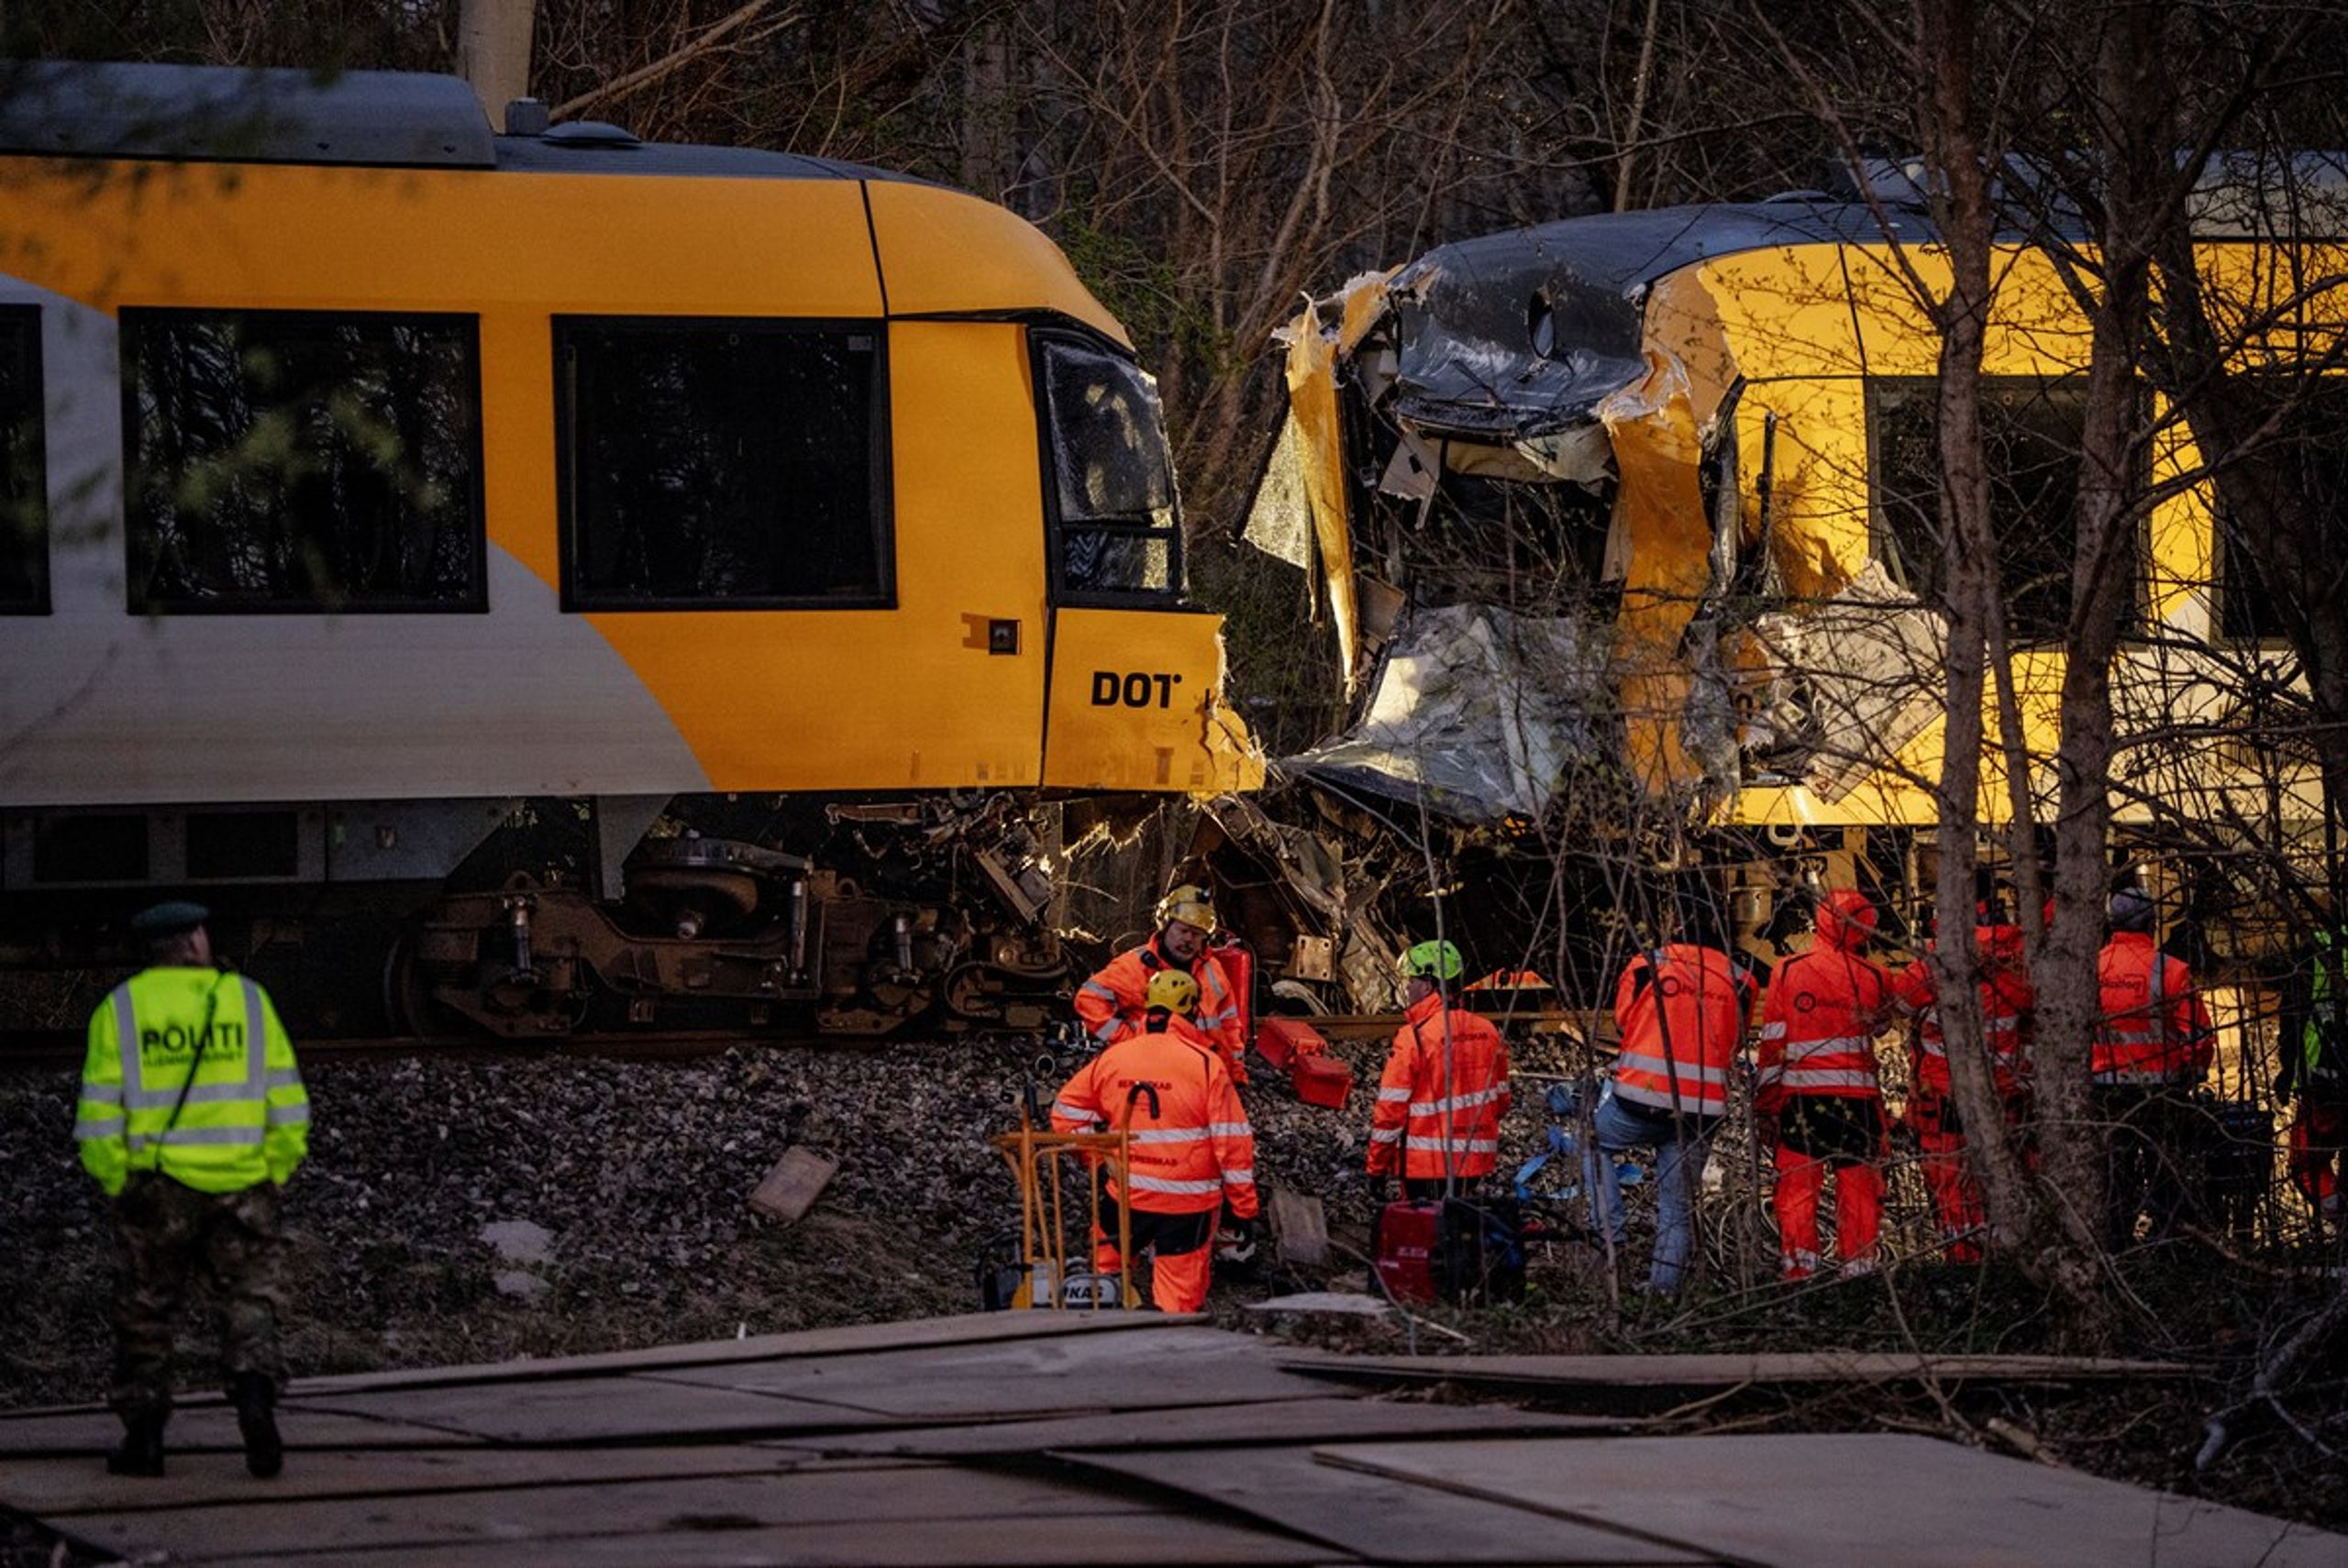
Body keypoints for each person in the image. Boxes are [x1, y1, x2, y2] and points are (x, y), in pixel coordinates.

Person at [72, 901, 310, 1479]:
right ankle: (256, 1406)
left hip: (159, 1189)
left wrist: (116, 1179)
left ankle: (146, 1441)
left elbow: (99, 1115)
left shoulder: (120, 1011)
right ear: (197, 943)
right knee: (249, 1300)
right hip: (243, 1182)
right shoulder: (247, 1001)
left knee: (148, 1309)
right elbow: (288, 1098)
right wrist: (276, 1166)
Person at [1051, 968, 1258, 1312]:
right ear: (1192, 1011)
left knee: (1103, 1284)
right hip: (1187, 1207)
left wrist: (1099, 1163)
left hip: (1124, 1196)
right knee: (1177, 1301)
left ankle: (1098, 1347)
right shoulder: (1206, 1065)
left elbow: (1066, 1113)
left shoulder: (1114, 1058)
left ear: (1148, 1007)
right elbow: (1233, 1144)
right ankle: (1164, 1355)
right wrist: (1244, 1210)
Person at [1582, 906, 1757, 1293]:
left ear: (1674, 924)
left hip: (1639, 1098)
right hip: (1702, 1109)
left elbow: (1624, 1021)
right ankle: (1663, 1290)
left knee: (1592, 1144)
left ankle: (1611, 1238)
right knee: (1677, 1206)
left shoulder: (1647, 965)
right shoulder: (1742, 980)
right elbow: (1737, 1038)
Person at [1755, 890, 1898, 1279]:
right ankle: (1859, 1269)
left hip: (1804, 1102)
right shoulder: (1875, 976)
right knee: (1859, 1190)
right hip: (1858, 1105)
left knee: (1798, 1189)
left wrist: (1766, 1105)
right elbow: (1883, 1024)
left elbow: (1773, 1046)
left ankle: (1800, 1271)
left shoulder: (1787, 970)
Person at [1891, 911, 2034, 1262]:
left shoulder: (1934, 965)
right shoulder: (2018, 965)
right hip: (2005, 1096)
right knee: (2005, 1176)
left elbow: (1898, 1002)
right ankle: (2008, 1256)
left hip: (1945, 1096)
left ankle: (1963, 1259)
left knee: (1951, 1183)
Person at [2092, 886, 2215, 1245]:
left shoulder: (2090, 969)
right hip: (2161, 1093)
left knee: (2116, 1176)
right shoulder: (2170, 971)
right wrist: (2193, 1071)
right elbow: (2198, 1036)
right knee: (2166, 1175)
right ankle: (2165, 1248)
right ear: (2151, 923)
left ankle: (2116, 1248)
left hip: (2104, 1092)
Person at [1368, 940, 1512, 1201]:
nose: (1407, 988)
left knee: (1424, 1233)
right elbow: (1501, 1101)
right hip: (1473, 1161)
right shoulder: (1488, 1032)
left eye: (1410, 981)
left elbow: (1390, 1112)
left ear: (1427, 985)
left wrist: (1376, 1167)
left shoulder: (1414, 1038)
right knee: (1458, 1228)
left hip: (1425, 1166)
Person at [1074, 884, 1248, 1081]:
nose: (1189, 940)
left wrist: (1235, 1073)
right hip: (1154, 1075)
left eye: (1197, 933)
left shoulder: (1212, 969)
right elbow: (1089, 1000)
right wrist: (1129, 1043)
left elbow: (1229, 1024)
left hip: (1204, 1076)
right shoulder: (1135, 966)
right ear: (1165, 926)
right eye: (1183, 930)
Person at [2276, 925, 2346, 1224]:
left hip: (2322, 1078)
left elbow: (2292, 1016)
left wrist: (2288, 1069)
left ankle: (2341, 1222)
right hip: (2323, 1078)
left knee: (2305, 1164)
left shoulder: (2317, 946)